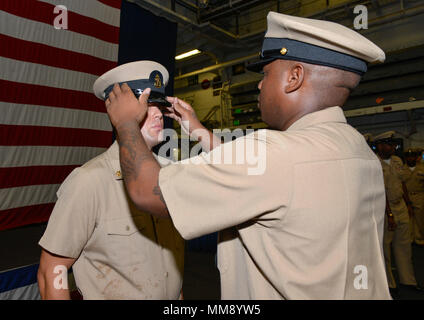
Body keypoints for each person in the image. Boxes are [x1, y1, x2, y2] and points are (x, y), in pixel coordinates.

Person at [105, 12, 391, 299]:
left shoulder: (273, 152)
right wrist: (200, 132)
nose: (259, 84)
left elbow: (147, 191)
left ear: (294, 77)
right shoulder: (359, 150)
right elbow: (258, 178)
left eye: (266, 74)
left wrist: (127, 123)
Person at [37, 61, 185, 300]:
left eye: (159, 104)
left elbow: (170, 273)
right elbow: (52, 269)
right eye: (147, 105)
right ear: (120, 114)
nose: (158, 113)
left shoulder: (170, 174)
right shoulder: (89, 181)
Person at [373, 132, 421, 295]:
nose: (393, 147)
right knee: (386, 248)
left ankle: (408, 280)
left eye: (394, 145)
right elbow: (380, 191)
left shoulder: (397, 161)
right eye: (389, 144)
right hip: (385, 209)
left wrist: (408, 204)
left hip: (400, 205)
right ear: (380, 145)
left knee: (404, 246)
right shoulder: (374, 164)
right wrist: (390, 215)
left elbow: (403, 183)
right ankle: (390, 284)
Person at [404, 148, 424, 246]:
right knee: (408, 219)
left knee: (419, 219)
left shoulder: (422, 168)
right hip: (406, 197)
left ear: (416, 157)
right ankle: (410, 238)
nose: (410, 158)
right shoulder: (402, 169)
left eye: (412, 156)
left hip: (419, 196)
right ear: (406, 158)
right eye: (408, 156)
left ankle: (419, 238)